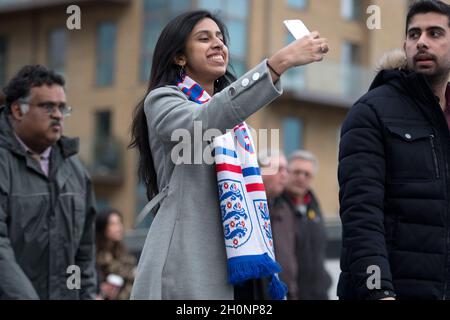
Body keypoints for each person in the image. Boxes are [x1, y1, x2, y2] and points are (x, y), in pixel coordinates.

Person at [129, 10, 329, 299]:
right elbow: (203, 121)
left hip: (240, 267)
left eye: (221, 38)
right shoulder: (163, 100)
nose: (218, 44)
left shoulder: (237, 127)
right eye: (204, 38)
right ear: (179, 57)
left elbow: (219, 112)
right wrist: (278, 63)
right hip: (188, 264)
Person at [338, 0, 450, 300]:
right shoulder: (371, 112)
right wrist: (379, 292)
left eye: (435, 33)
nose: (422, 42)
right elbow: (361, 213)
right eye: (415, 34)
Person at [0, 65, 97, 299]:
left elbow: (84, 251)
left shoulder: (75, 170)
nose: (57, 115)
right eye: (48, 106)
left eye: (62, 108)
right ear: (17, 110)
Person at [283, 150, 331, 300]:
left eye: (307, 174)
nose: (301, 178)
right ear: (287, 173)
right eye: (297, 172)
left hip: (318, 294)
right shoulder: (276, 207)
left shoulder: (314, 208)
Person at [260, 149, 300, 300]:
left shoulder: (286, 209)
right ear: (260, 171)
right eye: (278, 169)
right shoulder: (247, 208)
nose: (284, 175)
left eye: (286, 170)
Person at [95, 209, 137, 300]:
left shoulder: (124, 253)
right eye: (113, 224)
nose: (119, 228)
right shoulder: (95, 255)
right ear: (103, 228)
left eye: (119, 223)